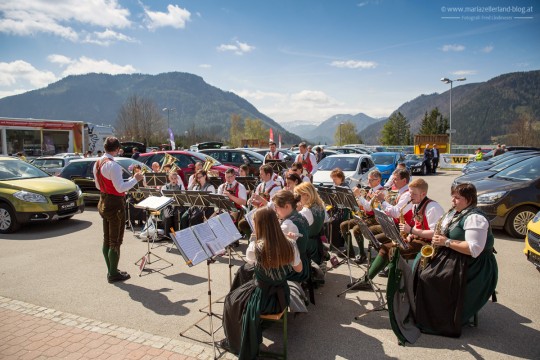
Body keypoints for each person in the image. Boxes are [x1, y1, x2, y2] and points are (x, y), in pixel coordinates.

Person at [413, 183, 498, 337]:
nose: (453, 201)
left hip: (474, 265)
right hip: (456, 254)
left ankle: (439, 319)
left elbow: (474, 249)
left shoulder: (475, 218)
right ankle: (424, 310)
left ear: (469, 199)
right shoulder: (457, 212)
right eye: (453, 197)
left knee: (430, 277)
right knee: (419, 263)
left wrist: (446, 242)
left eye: (457, 198)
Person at [221, 207, 302, 359]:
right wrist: (290, 241)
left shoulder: (254, 246)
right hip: (282, 296)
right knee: (239, 296)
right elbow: (299, 269)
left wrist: (255, 239)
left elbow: (250, 262)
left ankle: (235, 341)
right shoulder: (290, 244)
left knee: (231, 300)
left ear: (259, 225)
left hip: (262, 298)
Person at [353, 178, 443, 289]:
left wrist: (411, 231)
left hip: (429, 245)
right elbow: (417, 225)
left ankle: (394, 286)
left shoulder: (433, 207)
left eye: (414, 194)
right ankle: (367, 279)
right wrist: (410, 236)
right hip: (418, 238)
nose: (410, 197)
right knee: (385, 247)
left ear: (423, 194)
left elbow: (435, 234)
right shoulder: (416, 204)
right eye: (410, 193)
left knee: (392, 251)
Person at [93, 137, 143, 283]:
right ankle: (113, 274)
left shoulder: (97, 162)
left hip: (103, 200)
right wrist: (135, 179)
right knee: (115, 240)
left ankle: (111, 270)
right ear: (116, 149)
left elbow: (98, 185)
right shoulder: (113, 165)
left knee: (107, 239)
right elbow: (120, 188)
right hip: (115, 204)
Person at [340, 169, 385, 264]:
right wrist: (355, 200)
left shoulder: (381, 192)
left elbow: (369, 208)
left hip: (374, 218)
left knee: (356, 229)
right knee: (343, 225)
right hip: (365, 215)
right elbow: (364, 205)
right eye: (368, 179)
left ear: (378, 180)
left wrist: (359, 195)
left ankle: (362, 254)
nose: (368, 182)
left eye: (371, 180)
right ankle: (350, 250)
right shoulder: (371, 190)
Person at [295, 182, 326, 266]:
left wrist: (295, 211)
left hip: (307, 246)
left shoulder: (306, 211)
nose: (297, 199)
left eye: (299, 195)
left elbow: (295, 227)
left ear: (307, 195)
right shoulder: (321, 206)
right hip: (315, 243)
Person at [161, 172, 185, 239]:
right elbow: (163, 198)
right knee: (167, 217)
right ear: (169, 179)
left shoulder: (181, 187)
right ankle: (168, 234)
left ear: (177, 179)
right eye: (172, 178)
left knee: (177, 216)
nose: (173, 180)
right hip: (168, 205)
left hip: (178, 205)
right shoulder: (164, 187)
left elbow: (183, 198)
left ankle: (177, 234)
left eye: (175, 178)